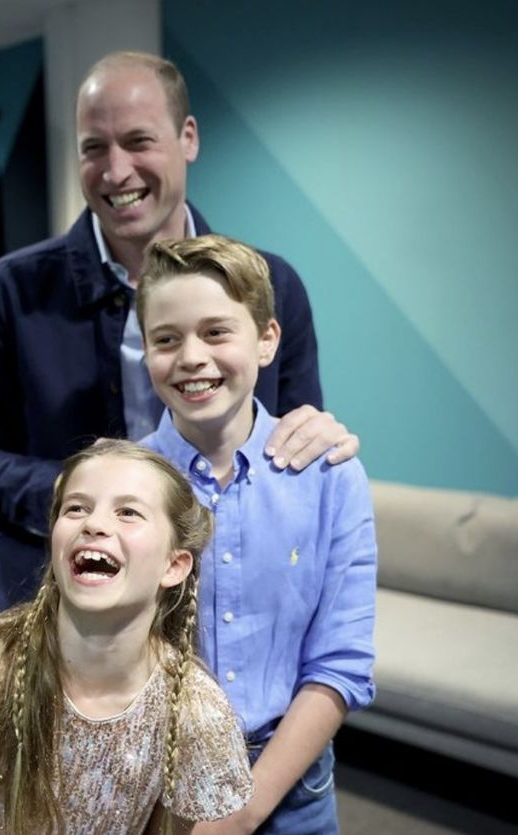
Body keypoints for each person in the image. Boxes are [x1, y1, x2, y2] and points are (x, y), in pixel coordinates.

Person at [0, 51, 360, 614]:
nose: (116, 171)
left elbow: (293, 440)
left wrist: (319, 436)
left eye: (138, 141)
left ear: (187, 137)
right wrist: (78, 493)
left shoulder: (274, 285)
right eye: (94, 148)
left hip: (228, 606)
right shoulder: (10, 289)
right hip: (51, 606)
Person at [137, 235, 376, 834]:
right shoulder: (123, 482)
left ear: (267, 339)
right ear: (145, 351)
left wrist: (245, 812)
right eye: (166, 339)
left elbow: (340, 664)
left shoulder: (331, 478)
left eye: (217, 332)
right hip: (153, 782)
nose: (192, 356)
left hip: (292, 784)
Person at [0, 438, 252, 835]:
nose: (93, 524)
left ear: (174, 566)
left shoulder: (194, 710)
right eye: (76, 508)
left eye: (128, 512)